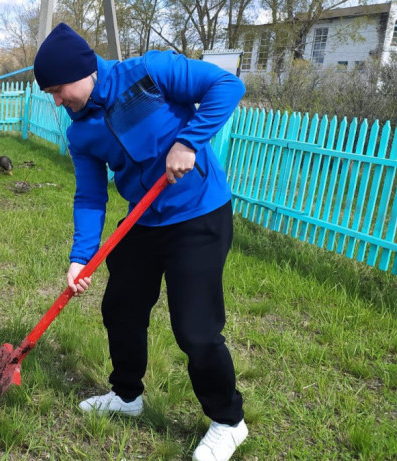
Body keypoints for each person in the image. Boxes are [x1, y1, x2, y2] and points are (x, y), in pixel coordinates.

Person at [33, 24, 247, 461]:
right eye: (50, 93)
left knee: (196, 330)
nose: (57, 100)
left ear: (86, 70)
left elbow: (228, 84)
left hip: (199, 213)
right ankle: (127, 395)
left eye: (59, 89)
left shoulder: (150, 72)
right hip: (144, 219)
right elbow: (90, 196)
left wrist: (189, 141)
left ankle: (228, 421)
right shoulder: (80, 132)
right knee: (121, 309)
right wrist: (80, 258)